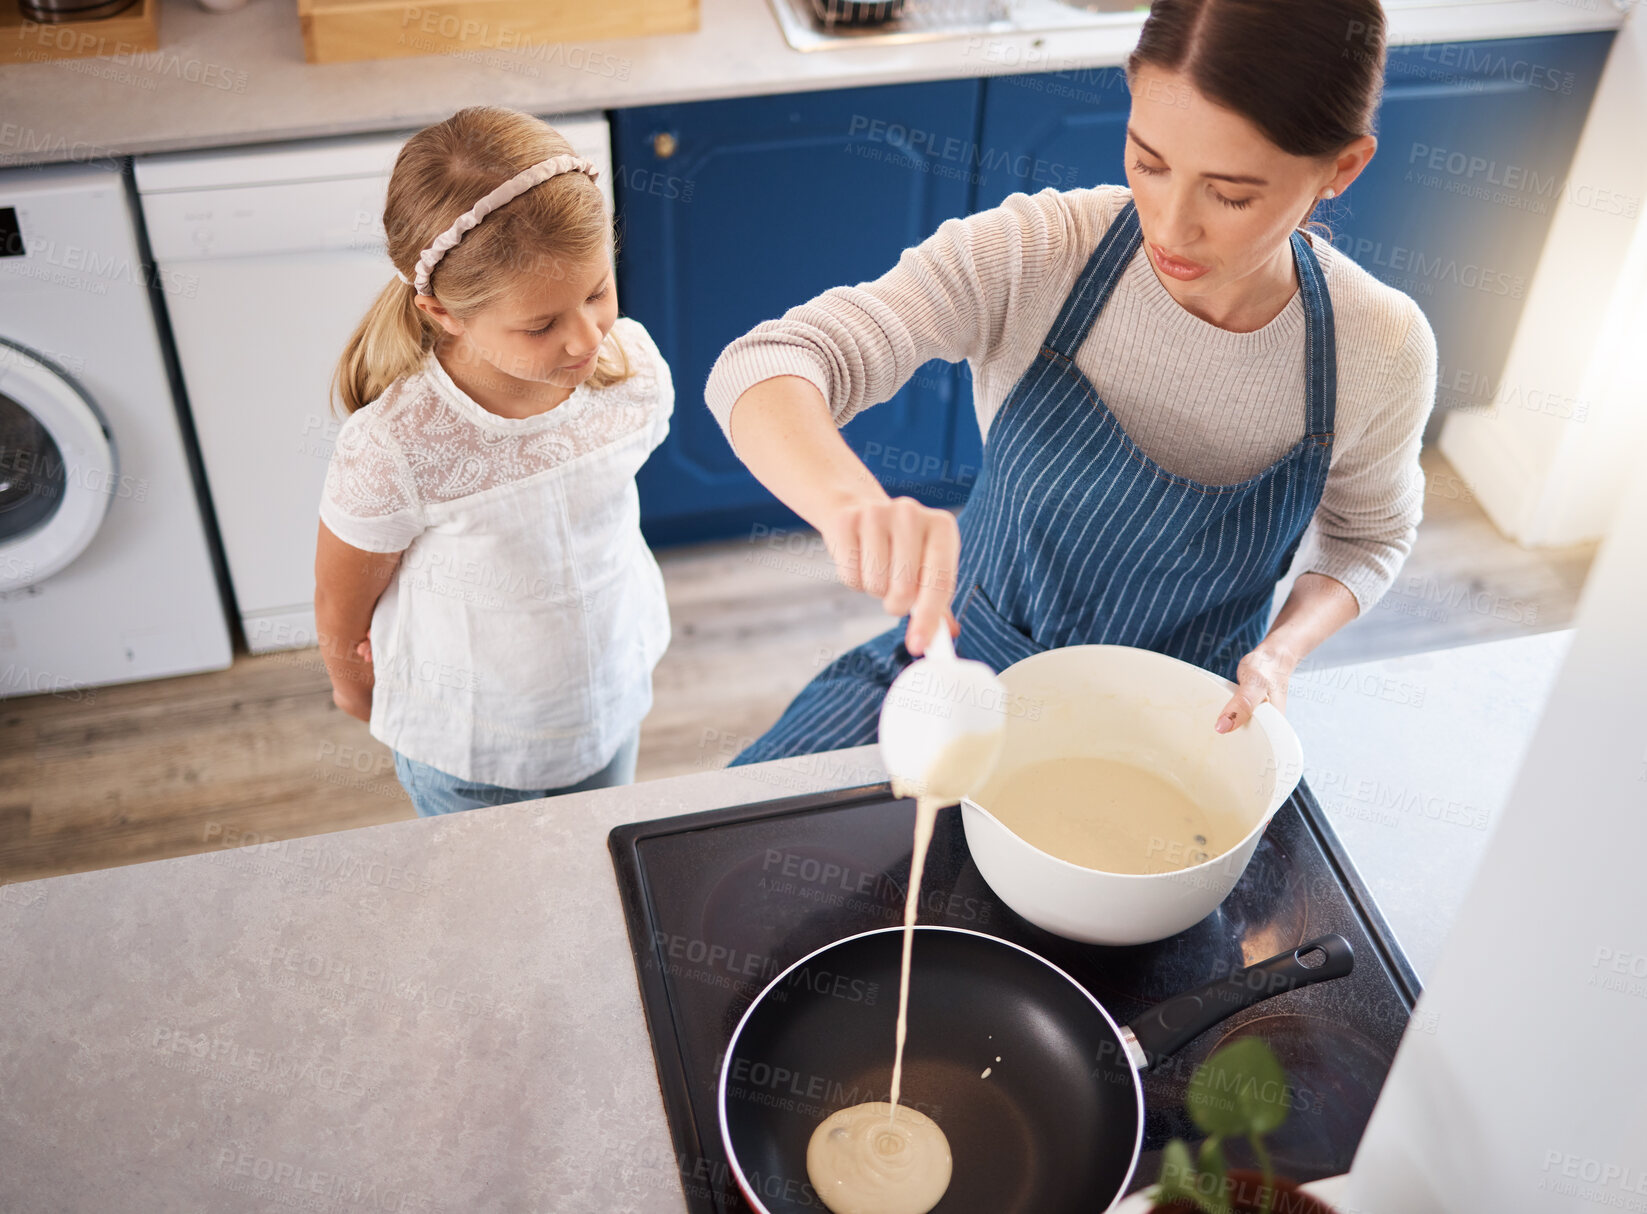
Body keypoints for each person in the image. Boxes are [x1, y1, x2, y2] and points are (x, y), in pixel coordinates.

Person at [707, 0, 1436, 767]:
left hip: (1174, 732)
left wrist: (1281, 650)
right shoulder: (1043, 252)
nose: (1169, 226)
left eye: (1229, 193)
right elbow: (767, 362)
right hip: (957, 678)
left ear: (1341, 167)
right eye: (1147, 162)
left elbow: (1369, 537)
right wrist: (853, 509)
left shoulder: (1377, 344)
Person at [314, 106, 673, 816]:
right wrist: (351, 685)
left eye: (597, 292)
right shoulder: (399, 445)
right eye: (540, 324)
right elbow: (339, 600)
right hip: (466, 741)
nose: (584, 339)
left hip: (602, 700)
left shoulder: (631, 372)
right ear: (444, 313)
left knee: (593, 871)